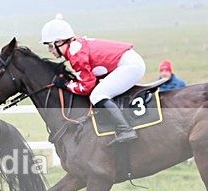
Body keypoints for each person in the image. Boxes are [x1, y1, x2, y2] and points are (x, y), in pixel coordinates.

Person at [41, 14, 145, 144]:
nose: (50, 50)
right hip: (129, 62)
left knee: (97, 95)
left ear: (59, 42)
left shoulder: (75, 54)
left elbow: (87, 87)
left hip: (130, 66)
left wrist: (66, 84)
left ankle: (125, 129)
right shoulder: (75, 47)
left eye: (50, 46)